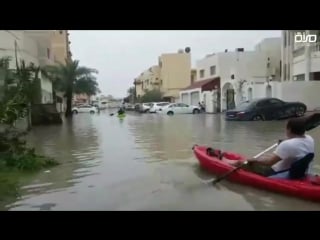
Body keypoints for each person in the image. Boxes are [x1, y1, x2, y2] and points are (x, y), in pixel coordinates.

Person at [233, 117, 315, 179]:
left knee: (242, 163)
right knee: (266, 157)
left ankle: (227, 163)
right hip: (299, 171)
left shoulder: (287, 145)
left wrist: (255, 160)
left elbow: (269, 163)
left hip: (277, 172)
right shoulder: (309, 139)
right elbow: (295, 144)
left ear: (289, 129)